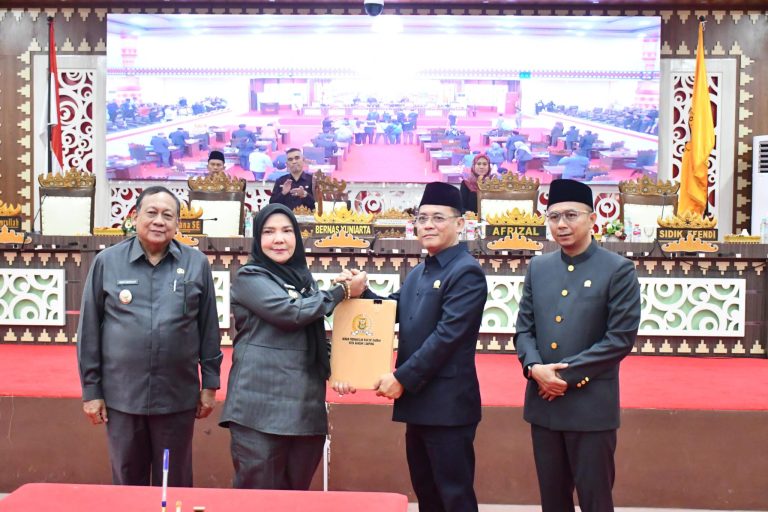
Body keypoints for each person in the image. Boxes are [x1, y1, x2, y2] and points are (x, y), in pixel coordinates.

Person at [335, 182, 488, 512]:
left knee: (454, 497)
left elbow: (447, 337)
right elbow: (393, 309)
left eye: (438, 218)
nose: (428, 225)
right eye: (422, 218)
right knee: (427, 493)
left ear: (460, 224)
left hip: (447, 406)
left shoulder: (466, 272)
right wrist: (361, 292)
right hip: (418, 401)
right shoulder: (420, 271)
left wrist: (401, 378)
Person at [77, 186, 222, 487]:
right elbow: (89, 330)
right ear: (135, 217)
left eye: (167, 215)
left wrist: (210, 384)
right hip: (123, 397)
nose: (159, 221)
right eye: (151, 213)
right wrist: (91, 391)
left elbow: (208, 327)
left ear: (178, 223)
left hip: (177, 397)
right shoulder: (107, 262)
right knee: (128, 483)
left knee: (175, 482)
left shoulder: (195, 263)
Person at [219, 204, 367, 489]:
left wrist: (342, 368)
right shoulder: (250, 277)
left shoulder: (305, 281)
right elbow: (290, 313)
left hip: (304, 410)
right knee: (258, 500)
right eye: (269, 232)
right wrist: (342, 291)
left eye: (287, 231)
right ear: (257, 239)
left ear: (297, 238)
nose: (279, 239)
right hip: (258, 411)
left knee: (296, 498)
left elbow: (312, 338)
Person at [515, 179, 641, 512]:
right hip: (544, 406)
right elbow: (524, 329)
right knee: (553, 501)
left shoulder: (618, 270)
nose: (561, 224)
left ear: (592, 219)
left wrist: (562, 377)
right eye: (554, 216)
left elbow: (619, 339)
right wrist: (534, 368)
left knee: (595, 500)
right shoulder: (539, 267)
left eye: (571, 215)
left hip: (590, 407)